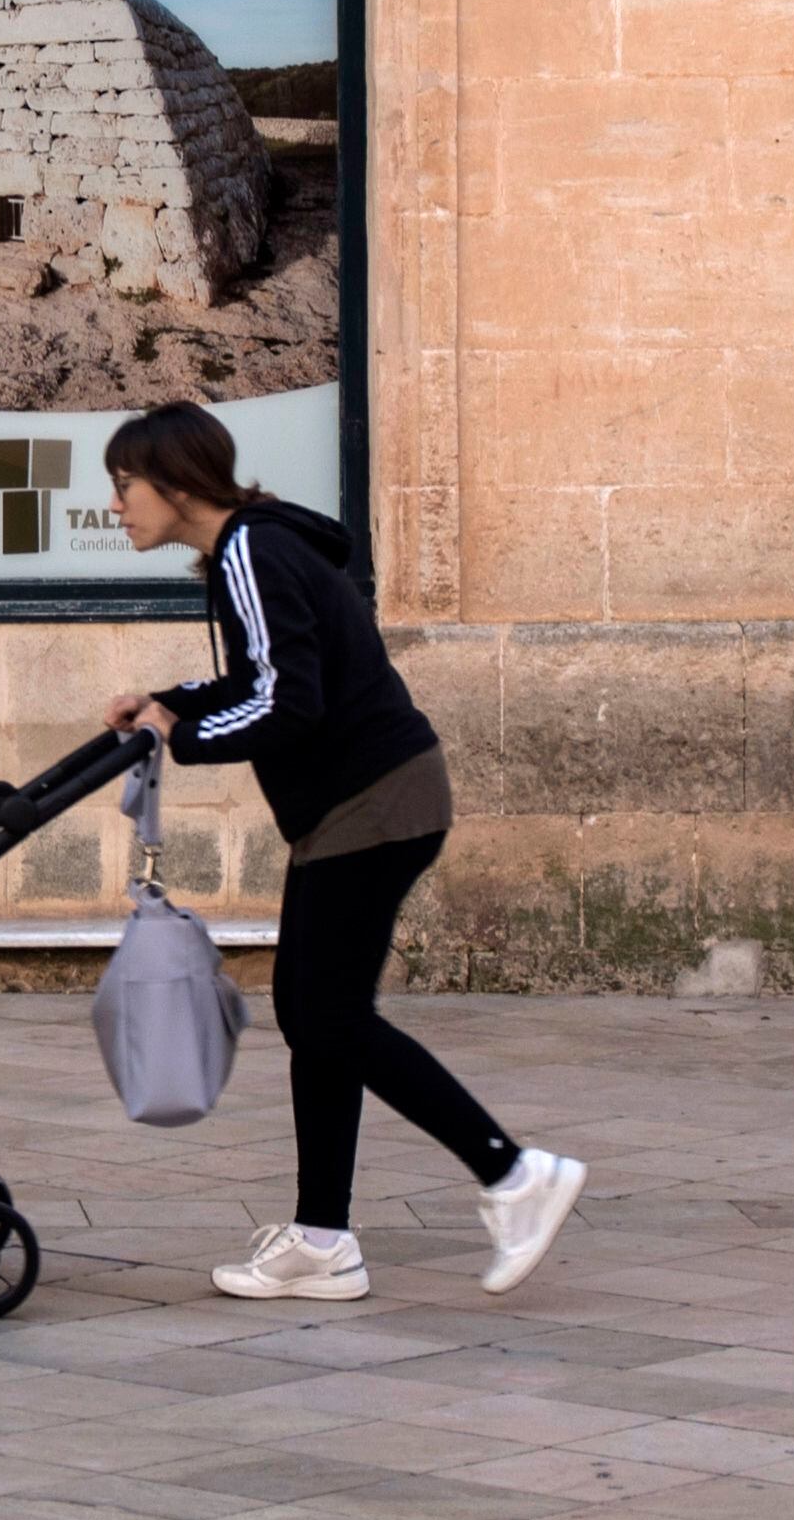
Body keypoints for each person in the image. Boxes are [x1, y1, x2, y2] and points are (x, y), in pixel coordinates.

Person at [98, 402, 584, 1302]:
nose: (116, 507)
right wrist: (167, 702)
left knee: (326, 1017)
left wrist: (184, 735)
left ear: (171, 482)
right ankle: (323, 1239)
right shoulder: (250, 549)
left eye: (123, 487)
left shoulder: (250, 549)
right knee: (317, 1014)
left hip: (374, 798)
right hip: (369, 799)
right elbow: (265, 677)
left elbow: (292, 707)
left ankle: (515, 1174)